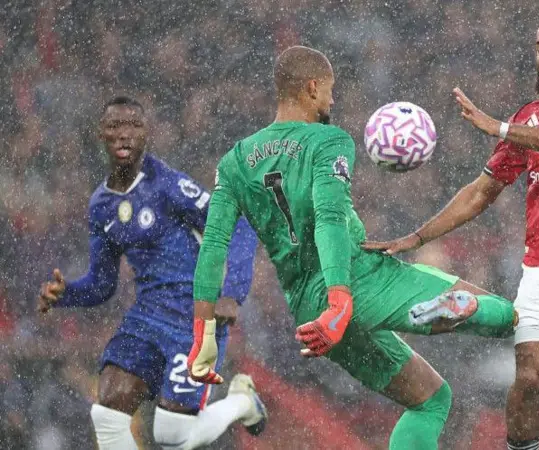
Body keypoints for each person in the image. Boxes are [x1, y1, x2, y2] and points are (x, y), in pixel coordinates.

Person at [186, 45, 517, 450]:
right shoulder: (328, 141)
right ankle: (463, 306)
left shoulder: (234, 162)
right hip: (357, 280)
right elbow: (329, 218)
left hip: (310, 312)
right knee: (509, 319)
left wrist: (202, 330)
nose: (332, 99)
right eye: (329, 90)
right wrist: (340, 299)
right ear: (311, 88)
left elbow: (214, 245)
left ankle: (448, 309)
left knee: (430, 399)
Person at [366, 16, 539, 450]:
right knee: (529, 379)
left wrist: (500, 128)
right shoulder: (529, 117)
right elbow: (480, 192)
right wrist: (417, 238)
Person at [37, 96, 267, 450]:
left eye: (134, 125)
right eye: (115, 125)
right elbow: (102, 284)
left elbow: (238, 224)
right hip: (147, 317)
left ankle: (243, 402)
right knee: (108, 409)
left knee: (171, 434)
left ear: (146, 134)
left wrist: (231, 293)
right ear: (100, 133)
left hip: (193, 316)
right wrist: (66, 294)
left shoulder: (167, 185)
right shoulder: (101, 205)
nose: (124, 134)